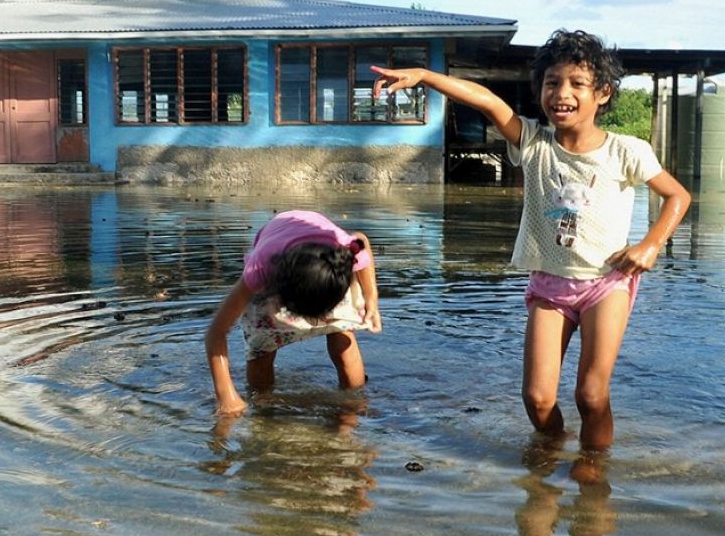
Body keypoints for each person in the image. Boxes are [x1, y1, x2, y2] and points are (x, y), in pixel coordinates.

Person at [372, 29, 690, 451]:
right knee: (537, 399)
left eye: (577, 84)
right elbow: (486, 101)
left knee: (591, 395)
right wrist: (426, 76)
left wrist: (650, 245)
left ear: (603, 94)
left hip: (606, 283)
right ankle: (552, 449)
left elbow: (677, 196)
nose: (562, 93)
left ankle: (593, 474)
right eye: (552, 82)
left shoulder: (625, 151)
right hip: (550, 285)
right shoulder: (533, 142)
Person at [205, 210, 381, 416]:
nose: (314, 321)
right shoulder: (261, 268)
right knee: (261, 348)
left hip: (323, 266)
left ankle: (354, 402)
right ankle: (263, 407)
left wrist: (371, 299)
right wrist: (227, 396)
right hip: (279, 274)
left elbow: (361, 241)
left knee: (342, 336)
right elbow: (215, 333)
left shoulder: (342, 252)